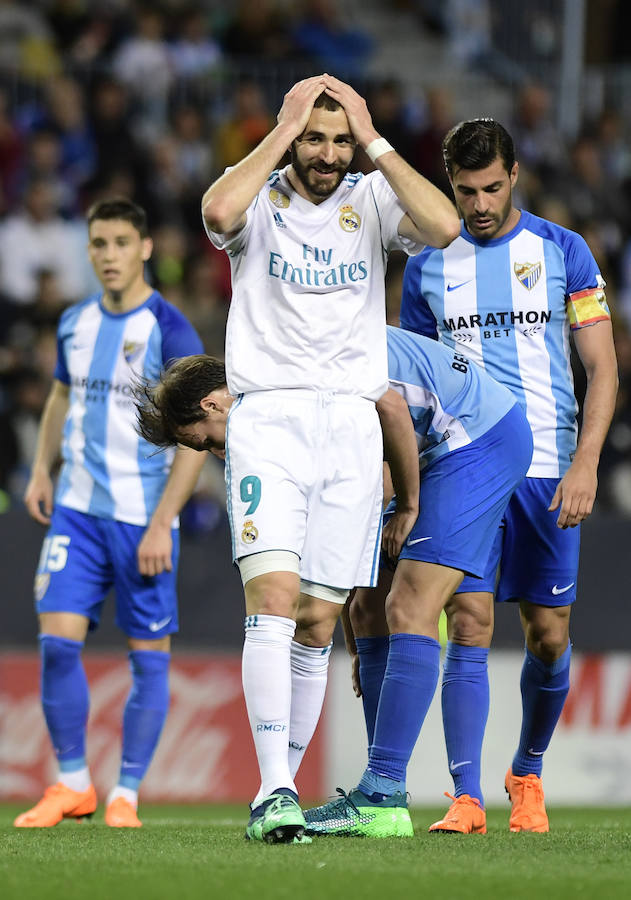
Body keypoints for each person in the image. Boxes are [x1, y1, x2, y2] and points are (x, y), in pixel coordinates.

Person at [198, 72, 460, 843]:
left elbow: (444, 227)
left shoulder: (371, 199)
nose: (326, 153)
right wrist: (280, 128)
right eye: (315, 138)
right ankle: (272, 791)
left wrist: (375, 138)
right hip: (270, 417)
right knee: (273, 598)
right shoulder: (257, 200)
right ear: (291, 137)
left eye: (337, 140)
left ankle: (282, 792)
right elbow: (216, 211)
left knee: (318, 620)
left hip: (349, 424)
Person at [397, 118, 618, 833]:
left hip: (550, 468)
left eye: (491, 187)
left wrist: (586, 461)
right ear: (448, 185)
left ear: (515, 173)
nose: (479, 204)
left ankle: (526, 769)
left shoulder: (564, 251)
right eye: (465, 191)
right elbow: (414, 382)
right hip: (463, 465)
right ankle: (465, 797)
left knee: (547, 634)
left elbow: (601, 366)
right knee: (466, 616)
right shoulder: (427, 265)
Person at [14, 198, 205, 829]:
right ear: (89, 250)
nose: (110, 255)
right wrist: (44, 468)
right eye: (99, 244)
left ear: (145, 248)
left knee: (148, 657)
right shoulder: (74, 323)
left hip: (142, 519)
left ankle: (126, 793)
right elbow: (61, 398)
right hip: (78, 513)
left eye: (122, 242)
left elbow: (196, 439)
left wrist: (161, 522)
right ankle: (73, 783)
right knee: (56, 644)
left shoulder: (171, 330)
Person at [300, 324, 532, 836]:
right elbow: (351, 529)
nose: (215, 455)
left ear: (215, 407)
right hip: (434, 442)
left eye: (206, 444)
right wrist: (358, 645)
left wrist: (408, 503)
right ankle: (383, 796)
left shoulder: (310, 359)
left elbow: (391, 413)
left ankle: (382, 793)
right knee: (367, 607)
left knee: (409, 606)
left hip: (475, 438)